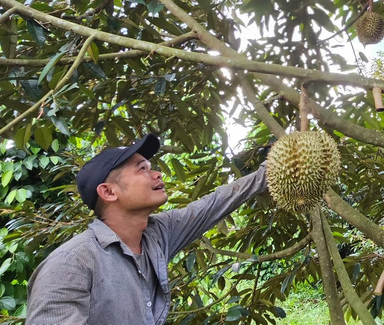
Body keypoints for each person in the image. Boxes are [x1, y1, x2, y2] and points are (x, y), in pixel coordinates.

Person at [26, 133, 267, 325]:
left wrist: (269, 171)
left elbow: (213, 205)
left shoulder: (157, 235)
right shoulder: (70, 265)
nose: (157, 173)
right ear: (109, 192)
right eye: (142, 169)